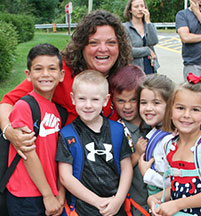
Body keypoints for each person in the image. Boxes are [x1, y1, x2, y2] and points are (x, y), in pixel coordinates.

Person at [0, 10, 132, 157]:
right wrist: (9, 131)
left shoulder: (124, 81)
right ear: (82, 46)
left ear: (120, 47)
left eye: (111, 42)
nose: (103, 49)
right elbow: (7, 102)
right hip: (56, 165)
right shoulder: (59, 72)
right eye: (93, 42)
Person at [56, 70, 133, 216]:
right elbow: (65, 177)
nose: (88, 105)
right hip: (82, 209)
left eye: (95, 100)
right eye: (82, 99)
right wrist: (97, 201)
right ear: (73, 98)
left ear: (105, 100)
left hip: (115, 206)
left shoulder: (117, 130)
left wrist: (118, 200)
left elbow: (127, 167)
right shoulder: (67, 135)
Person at [6, 43, 65, 216]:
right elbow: (28, 154)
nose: (45, 74)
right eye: (38, 69)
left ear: (61, 75)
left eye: (52, 68)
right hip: (25, 195)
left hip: (51, 191)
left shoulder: (59, 111)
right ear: (28, 75)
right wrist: (48, 195)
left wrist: (59, 191)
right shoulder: (24, 106)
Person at [148, 73, 201, 215]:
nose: (186, 115)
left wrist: (176, 204)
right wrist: (155, 198)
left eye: (195, 110)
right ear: (171, 111)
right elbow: (178, 186)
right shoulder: (170, 146)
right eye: (180, 108)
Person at [109, 64, 151, 216]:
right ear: (112, 100)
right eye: (120, 101)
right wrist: (136, 155)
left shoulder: (155, 124)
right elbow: (113, 172)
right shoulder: (115, 131)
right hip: (136, 205)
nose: (127, 106)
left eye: (133, 100)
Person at [137, 74, 174, 196]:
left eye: (156, 103)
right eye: (143, 102)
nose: (148, 108)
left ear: (170, 105)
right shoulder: (155, 134)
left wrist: (147, 173)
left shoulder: (169, 141)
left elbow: (176, 182)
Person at [175, 0, 201, 94]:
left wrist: (197, 12)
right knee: (193, 95)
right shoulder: (182, 15)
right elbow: (185, 37)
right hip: (193, 65)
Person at [123, 0, 159, 74]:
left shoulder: (150, 26)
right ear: (130, 10)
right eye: (136, 6)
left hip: (150, 67)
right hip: (133, 69)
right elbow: (127, 51)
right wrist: (147, 51)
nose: (140, 9)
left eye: (142, 6)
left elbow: (154, 41)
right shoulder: (124, 28)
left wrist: (148, 22)